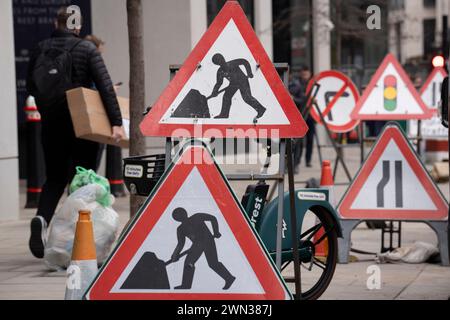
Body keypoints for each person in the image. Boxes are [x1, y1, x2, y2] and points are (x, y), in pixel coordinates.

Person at [26, 7, 125, 259]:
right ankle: (75, 238)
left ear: (55, 22)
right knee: (82, 179)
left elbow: (31, 85)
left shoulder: (40, 48)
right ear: (78, 26)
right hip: (83, 125)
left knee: (55, 178)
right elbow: (105, 86)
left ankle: (41, 219)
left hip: (51, 124)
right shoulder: (86, 49)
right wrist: (115, 121)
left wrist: (49, 111)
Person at [170, 208, 236, 290]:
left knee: (210, 263)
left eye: (180, 214)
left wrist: (216, 231)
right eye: (177, 216)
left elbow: (213, 218)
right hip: (198, 244)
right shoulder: (180, 229)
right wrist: (175, 254)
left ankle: (229, 278)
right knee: (196, 262)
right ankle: (186, 285)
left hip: (207, 240)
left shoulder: (197, 217)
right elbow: (180, 243)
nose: (180, 217)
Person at [210, 53, 266, 119]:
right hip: (233, 84)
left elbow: (244, 62)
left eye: (221, 60)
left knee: (247, 98)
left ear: (223, 58)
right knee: (226, 97)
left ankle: (261, 109)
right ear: (217, 64)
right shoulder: (220, 71)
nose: (221, 62)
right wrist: (214, 91)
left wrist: (249, 73)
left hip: (242, 80)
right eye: (218, 62)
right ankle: (224, 114)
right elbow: (219, 83)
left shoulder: (232, 63)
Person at [289, 65, 315, 170]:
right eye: (303, 74)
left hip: (310, 115)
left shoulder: (313, 85)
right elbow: (299, 100)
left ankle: (308, 160)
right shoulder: (296, 84)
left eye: (306, 74)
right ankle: (297, 162)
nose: (305, 76)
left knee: (310, 139)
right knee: (299, 140)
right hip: (300, 115)